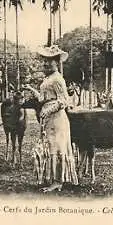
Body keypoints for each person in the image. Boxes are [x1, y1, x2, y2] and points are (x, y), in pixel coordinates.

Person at [22, 45, 78, 192]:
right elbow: (42, 99)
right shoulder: (48, 79)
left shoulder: (58, 79)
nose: (46, 64)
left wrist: (48, 111)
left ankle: (58, 181)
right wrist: (30, 89)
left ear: (56, 62)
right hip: (48, 119)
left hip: (57, 119)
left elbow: (64, 101)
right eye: (44, 61)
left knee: (57, 147)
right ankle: (51, 178)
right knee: (49, 147)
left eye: (50, 61)